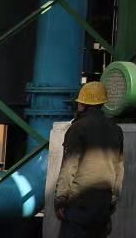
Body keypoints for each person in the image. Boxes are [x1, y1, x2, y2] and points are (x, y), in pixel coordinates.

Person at [53, 82, 124, 238]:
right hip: (103, 205)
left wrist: (60, 200)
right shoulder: (116, 130)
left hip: (79, 204)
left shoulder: (78, 128)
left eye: (79, 102)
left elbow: (69, 167)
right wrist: (112, 200)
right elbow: (119, 168)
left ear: (83, 104)